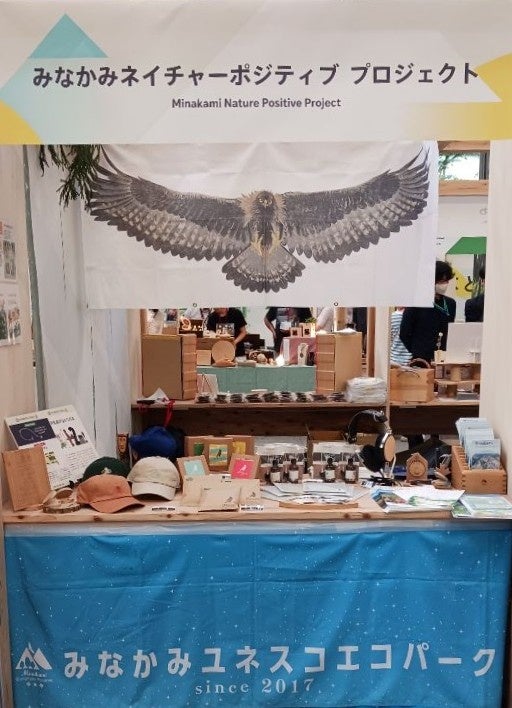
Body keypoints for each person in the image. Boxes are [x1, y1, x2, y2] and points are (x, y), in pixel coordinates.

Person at [400, 260, 456, 362]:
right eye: (441, 281)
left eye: (447, 281)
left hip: (444, 358)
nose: (445, 284)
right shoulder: (416, 303)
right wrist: (417, 351)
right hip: (421, 359)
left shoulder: (450, 303)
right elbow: (404, 333)